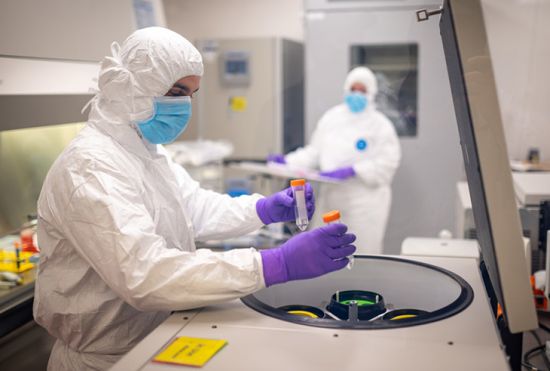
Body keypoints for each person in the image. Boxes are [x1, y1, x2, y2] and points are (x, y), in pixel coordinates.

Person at [33, 27, 356, 371]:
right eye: (176, 91)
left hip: (158, 336)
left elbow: (195, 208)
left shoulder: (147, 152)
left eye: (191, 94)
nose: (184, 104)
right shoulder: (91, 167)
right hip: (104, 361)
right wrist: (274, 264)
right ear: (131, 86)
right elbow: (146, 274)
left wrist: (263, 208)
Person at [268, 66, 401, 255]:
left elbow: (388, 163)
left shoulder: (380, 125)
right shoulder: (332, 118)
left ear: (371, 93)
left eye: (362, 90)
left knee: (361, 252)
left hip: (364, 204)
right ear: (346, 89)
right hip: (332, 199)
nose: (357, 94)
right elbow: (314, 152)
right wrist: (287, 161)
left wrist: (354, 170)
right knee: (325, 253)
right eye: (353, 89)